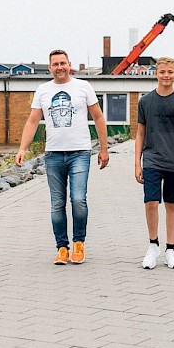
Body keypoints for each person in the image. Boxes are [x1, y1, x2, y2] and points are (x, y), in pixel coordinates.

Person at [16, 50, 109, 265]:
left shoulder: (83, 87)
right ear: (50, 68)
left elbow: (98, 117)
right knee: (57, 203)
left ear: (70, 65)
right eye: (55, 64)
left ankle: (78, 243)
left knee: (78, 199)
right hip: (53, 155)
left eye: (63, 63)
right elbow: (32, 121)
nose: (59, 67)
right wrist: (22, 148)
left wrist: (104, 149)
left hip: (80, 153)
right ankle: (61, 247)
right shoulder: (43, 90)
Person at [135, 57, 174, 270]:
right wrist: (137, 163)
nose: (166, 75)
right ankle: (153, 246)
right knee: (151, 202)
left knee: (172, 205)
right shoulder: (146, 101)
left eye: (170, 72)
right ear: (156, 74)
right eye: (162, 72)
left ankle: (170, 249)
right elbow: (140, 133)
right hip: (152, 159)